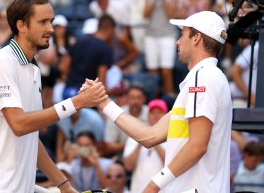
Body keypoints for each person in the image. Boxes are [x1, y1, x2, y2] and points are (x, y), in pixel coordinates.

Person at [0, 0, 107, 193]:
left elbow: (31, 138)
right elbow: (19, 124)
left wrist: (65, 187)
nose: (50, 28)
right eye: (43, 22)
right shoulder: (0, 61)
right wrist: (76, 103)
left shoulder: (33, 69)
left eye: (50, 21)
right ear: (21, 25)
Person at [82, 11, 231, 192]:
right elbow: (149, 136)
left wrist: (155, 184)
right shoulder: (206, 78)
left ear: (196, 38)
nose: (177, 41)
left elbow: (197, 146)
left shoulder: (203, 78)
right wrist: (104, 103)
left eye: (182, 34)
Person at [123, 99, 168, 192]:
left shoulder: (173, 137)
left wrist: (153, 140)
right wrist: (142, 140)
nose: (156, 116)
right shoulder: (135, 135)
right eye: (152, 113)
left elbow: (170, 164)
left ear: (166, 115)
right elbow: (128, 166)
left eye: (160, 112)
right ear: (148, 115)